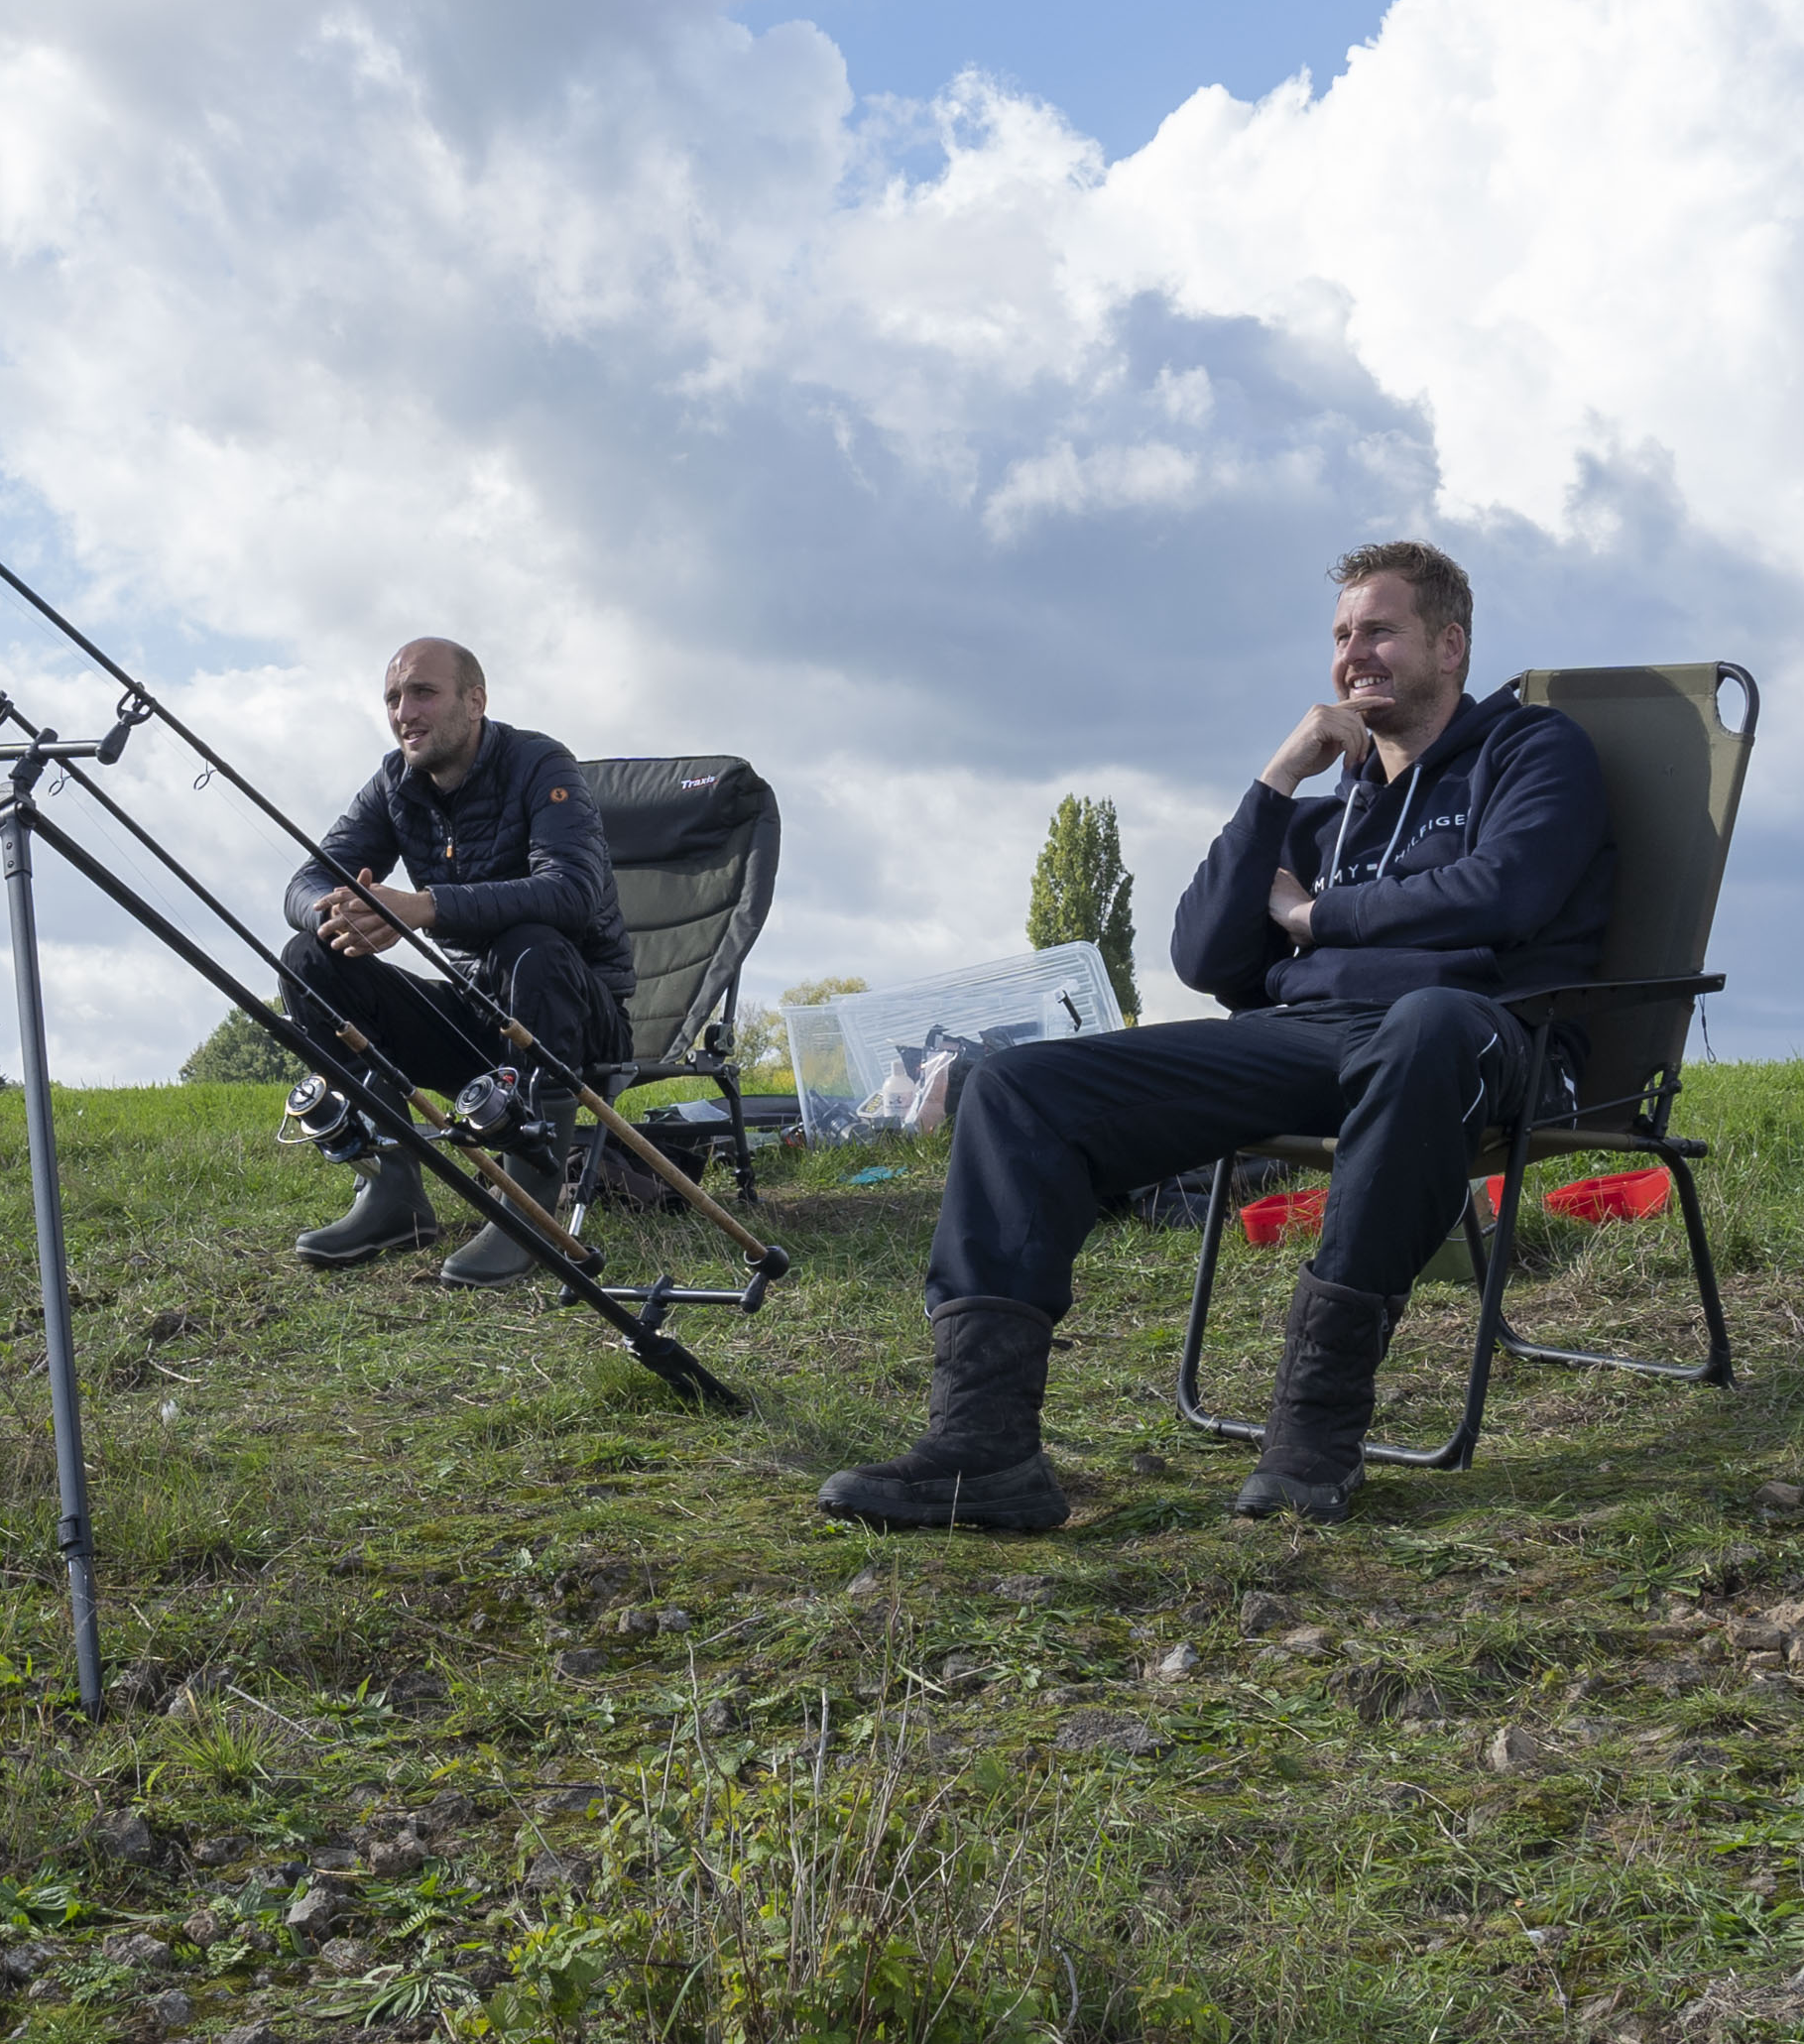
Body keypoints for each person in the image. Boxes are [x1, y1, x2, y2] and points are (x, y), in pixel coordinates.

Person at [818, 539, 1610, 1531]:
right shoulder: (1327, 819)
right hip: (1311, 1038)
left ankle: (1313, 1432)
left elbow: (1505, 893)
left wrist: (1317, 917)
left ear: (1449, 646)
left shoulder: (1533, 750)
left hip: (1481, 1040)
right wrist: (1277, 782)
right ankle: (982, 1448)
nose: (1352, 655)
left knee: (1423, 1025)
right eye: (1340, 635)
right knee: (1019, 1087)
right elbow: (1202, 955)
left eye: (1379, 630)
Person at [281, 636, 636, 1285]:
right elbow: (305, 882)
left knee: (529, 943)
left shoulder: (541, 764)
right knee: (309, 957)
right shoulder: (394, 781)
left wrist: (424, 907)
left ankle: (527, 1210)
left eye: (423, 692)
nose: (403, 712)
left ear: (475, 701)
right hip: (476, 1020)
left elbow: (572, 891)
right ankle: (391, 1192)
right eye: (393, 698)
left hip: (577, 1018)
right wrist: (340, 913)